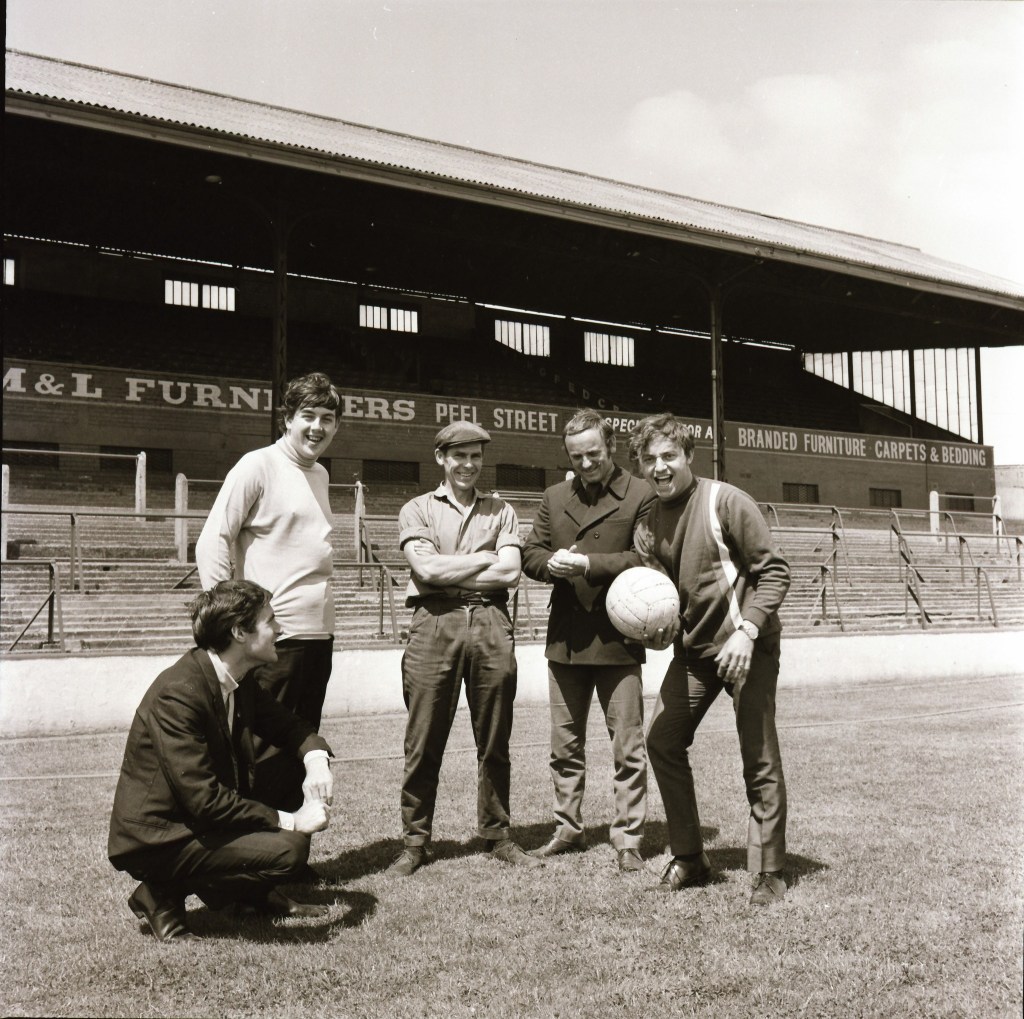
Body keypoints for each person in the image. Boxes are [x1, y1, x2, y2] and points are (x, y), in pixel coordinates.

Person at [108, 580, 335, 942]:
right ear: (239, 632)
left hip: (198, 818)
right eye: (271, 621)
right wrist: (291, 820)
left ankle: (249, 895)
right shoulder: (179, 693)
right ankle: (159, 895)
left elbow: (289, 727)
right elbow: (204, 799)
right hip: (159, 836)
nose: (280, 629)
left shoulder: (237, 680)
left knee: (291, 764)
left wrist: (316, 759)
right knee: (289, 849)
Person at [628, 413, 791, 905]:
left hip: (746, 647)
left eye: (669, 457)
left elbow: (776, 572)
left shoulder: (725, 500)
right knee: (662, 739)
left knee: (757, 757)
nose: (660, 467)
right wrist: (656, 630)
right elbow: (661, 596)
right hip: (696, 653)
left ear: (688, 457)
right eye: (650, 459)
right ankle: (691, 857)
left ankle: (770, 871)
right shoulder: (647, 523)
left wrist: (747, 630)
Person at [388, 421, 540, 876]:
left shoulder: (502, 510)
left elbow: (510, 573)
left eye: (476, 456)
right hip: (434, 621)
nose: (469, 465)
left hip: (492, 622)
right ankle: (415, 842)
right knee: (423, 738)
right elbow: (426, 571)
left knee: (494, 738)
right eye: (460, 456)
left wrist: (448, 567)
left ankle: (496, 835)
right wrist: (482, 558)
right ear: (441, 458)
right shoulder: (417, 508)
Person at [195, 371, 340, 811]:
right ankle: (254, 857)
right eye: (308, 416)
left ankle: (290, 855)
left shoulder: (319, 475)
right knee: (263, 752)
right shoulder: (257, 465)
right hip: (275, 640)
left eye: (328, 418)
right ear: (287, 419)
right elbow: (213, 538)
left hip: (317, 637)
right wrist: (230, 621)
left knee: (301, 748)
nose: (318, 427)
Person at [522, 408, 655, 872]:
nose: (586, 463)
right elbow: (530, 553)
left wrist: (588, 565)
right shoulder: (554, 496)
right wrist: (550, 564)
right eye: (577, 456)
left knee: (628, 745)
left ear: (611, 447)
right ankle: (567, 829)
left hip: (618, 642)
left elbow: (646, 555)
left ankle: (628, 839)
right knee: (564, 746)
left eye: (593, 453)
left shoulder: (641, 493)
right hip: (567, 641)